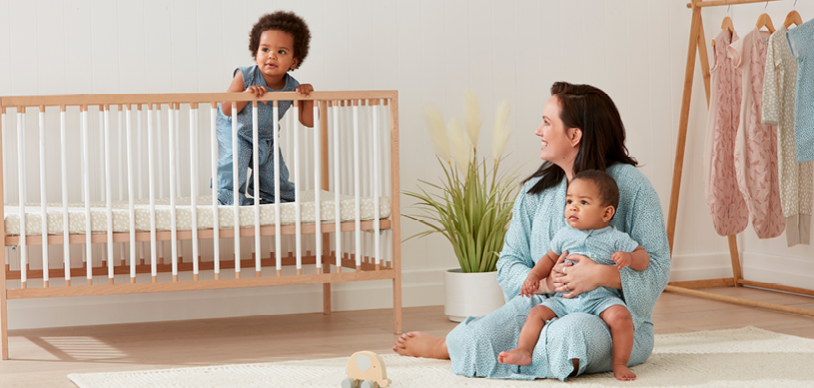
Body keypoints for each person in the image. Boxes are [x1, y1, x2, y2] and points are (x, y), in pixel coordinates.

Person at [393, 82, 670, 381]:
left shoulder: (632, 186)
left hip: (609, 317)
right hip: (548, 304)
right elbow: (509, 262)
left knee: (568, 336)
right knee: (471, 341)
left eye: (547, 123)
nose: (538, 130)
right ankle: (446, 345)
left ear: (574, 135)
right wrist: (546, 282)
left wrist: (601, 275)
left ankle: (536, 351)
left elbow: (657, 266)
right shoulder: (535, 193)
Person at [498, 169, 650, 381]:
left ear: (606, 213)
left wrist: (630, 259)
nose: (573, 207)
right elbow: (549, 259)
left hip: (600, 299)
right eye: (569, 201)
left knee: (621, 316)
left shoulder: (615, 238)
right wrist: (534, 276)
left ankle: (620, 363)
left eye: (583, 202)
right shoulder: (564, 235)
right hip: (564, 299)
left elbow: (644, 257)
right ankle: (524, 350)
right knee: (536, 313)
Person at [216, 11, 315, 205]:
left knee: (274, 173)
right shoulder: (245, 77)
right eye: (265, 49)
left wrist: (308, 97)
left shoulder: (292, 87)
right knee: (234, 161)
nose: (272, 56)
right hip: (236, 131)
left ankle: (275, 199)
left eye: (282, 52)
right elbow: (226, 109)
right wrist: (246, 95)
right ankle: (227, 199)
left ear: (294, 61)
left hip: (265, 136)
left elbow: (308, 122)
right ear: (255, 53)